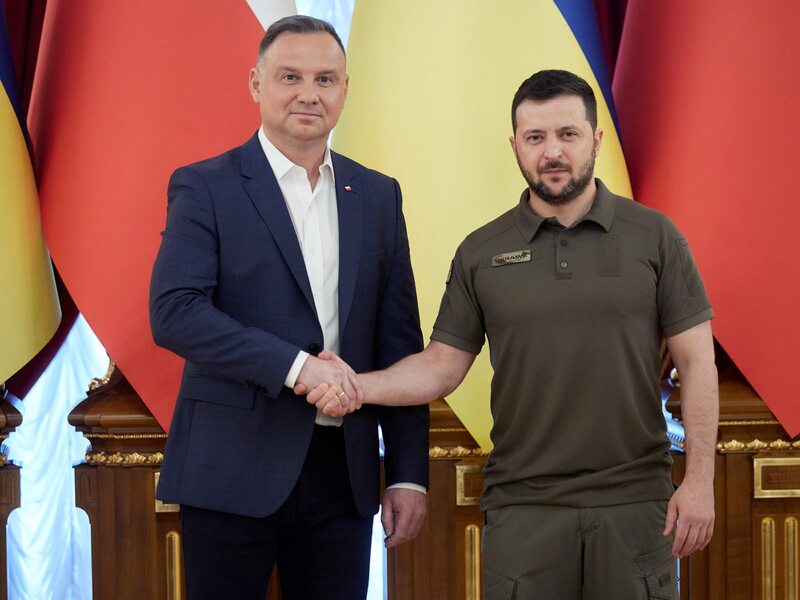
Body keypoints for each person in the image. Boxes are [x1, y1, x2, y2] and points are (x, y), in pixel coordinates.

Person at [302, 69, 718, 600]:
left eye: (568, 134)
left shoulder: (656, 236)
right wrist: (352, 385)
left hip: (637, 505)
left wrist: (699, 481)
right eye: (535, 137)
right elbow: (440, 367)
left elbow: (697, 363)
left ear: (595, 139)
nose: (552, 152)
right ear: (515, 146)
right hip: (522, 510)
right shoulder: (482, 251)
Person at [149, 16, 428, 600]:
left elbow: (398, 342)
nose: (309, 93)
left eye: (325, 79)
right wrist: (300, 368)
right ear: (256, 83)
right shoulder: (205, 186)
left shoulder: (378, 195)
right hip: (230, 469)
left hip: (344, 474)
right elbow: (175, 311)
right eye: (290, 77)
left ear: (345, 89)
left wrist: (407, 474)